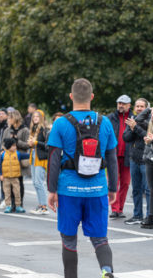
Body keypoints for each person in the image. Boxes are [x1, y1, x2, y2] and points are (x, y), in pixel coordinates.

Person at [47, 78, 118, 278]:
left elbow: (53, 159)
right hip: (97, 189)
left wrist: (52, 191)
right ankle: (106, 270)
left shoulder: (60, 123)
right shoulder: (105, 123)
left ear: (71, 96)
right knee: (100, 238)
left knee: (69, 239)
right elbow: (112, 159)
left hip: (68, 189)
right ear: (92, 97)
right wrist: (113, 188)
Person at [122, 98, 152, 224]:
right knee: (136, 189)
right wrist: (133, 127)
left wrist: (136, 127)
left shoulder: (152, 120)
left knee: (148, 189)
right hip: (134, 158)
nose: (139, 108)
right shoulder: (132, 119)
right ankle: (137, 215)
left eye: (142, 106)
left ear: (147, 108)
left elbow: (148, 137)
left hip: (147, 159)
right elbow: (126, 137)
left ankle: (150, 216)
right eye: (137, 106)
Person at [107, 95, 135, 219]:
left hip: (128, 155)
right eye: (119, 103)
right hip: (112, 155)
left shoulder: (134, 119)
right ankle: (114, 208)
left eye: (123, 103)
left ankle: (120, 209)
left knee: (125, 183)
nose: (121, 105)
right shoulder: (110, 118)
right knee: (113, 182)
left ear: (129, 105)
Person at [2, 110, 30, 210]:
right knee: (8, 184)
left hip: (20, 160)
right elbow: (3, 144)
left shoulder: (25, 130)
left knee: (19, 183)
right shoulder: (7, 130)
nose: (8, 120)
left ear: (15, 118)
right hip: (9, 160)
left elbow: (28, 145)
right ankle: (10, 204)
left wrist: (17, 141)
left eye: (10, 118)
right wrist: (7, 147)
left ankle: (19, 204)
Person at [0, 138, 29, 213]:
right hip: (6, 178)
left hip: (15, 177)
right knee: (7, 193)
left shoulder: (17, 154)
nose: (15, 147)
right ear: (8, 146)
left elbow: (26, 156)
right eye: (13, 146)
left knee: (17, 192)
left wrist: (32, 153)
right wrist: (0, 174)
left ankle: (18, 206)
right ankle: (8, 206)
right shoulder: (3, 155)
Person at [27, 110, 49, 215]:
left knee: (39, 182)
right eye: (34, 116)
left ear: (41, 118)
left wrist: (35, 142)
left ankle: (44, 207)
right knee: (35, 183)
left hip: (41, 158)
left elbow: (47, 145)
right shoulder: (33, 129)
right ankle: (40, 205)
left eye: (37, 116)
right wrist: (30, 144)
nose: (35, 118)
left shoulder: (44, 130)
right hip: (33, 156)